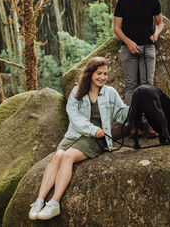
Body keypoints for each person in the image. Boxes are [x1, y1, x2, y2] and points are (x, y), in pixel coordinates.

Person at [28, 56, 129, 220]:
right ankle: (39, 201)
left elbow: (122, 113)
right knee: (58, 156)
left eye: (105, 74)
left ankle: (54, 204)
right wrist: (91, 128)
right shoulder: (77, 91)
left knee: (68, 156)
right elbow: (74, 116)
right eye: (99, 73)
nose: (103, 77)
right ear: (90, 73)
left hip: (97, 138)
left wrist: (138, 107)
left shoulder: (110, 93)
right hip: (75, 134)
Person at [113, 0, 164, 138]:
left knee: (147, 86)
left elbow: (160, 23)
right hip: (129, 48)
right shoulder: (123, 2)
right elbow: (116, 28)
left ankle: (149, 123)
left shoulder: (153, 1)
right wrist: (128, 42)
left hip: (148, 47)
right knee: (131, 86)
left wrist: (156, 34)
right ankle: (133, 123)